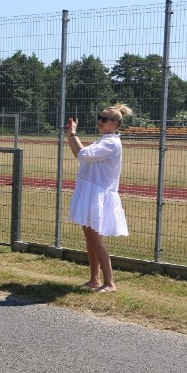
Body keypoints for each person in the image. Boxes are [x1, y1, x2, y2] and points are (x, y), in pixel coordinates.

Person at [66, 103, 133, 293]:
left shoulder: (110, 143)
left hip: (98, 195)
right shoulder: (104, 139)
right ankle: (94, 279)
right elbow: (79, 154)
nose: (100, 121)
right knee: (90, 239)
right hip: (91, 193)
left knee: (96, 241)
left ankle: (110, 283)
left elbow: (82, 153)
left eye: (105, 119)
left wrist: (73, 134)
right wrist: (70, 133)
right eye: (100, 117)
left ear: (116, 123)